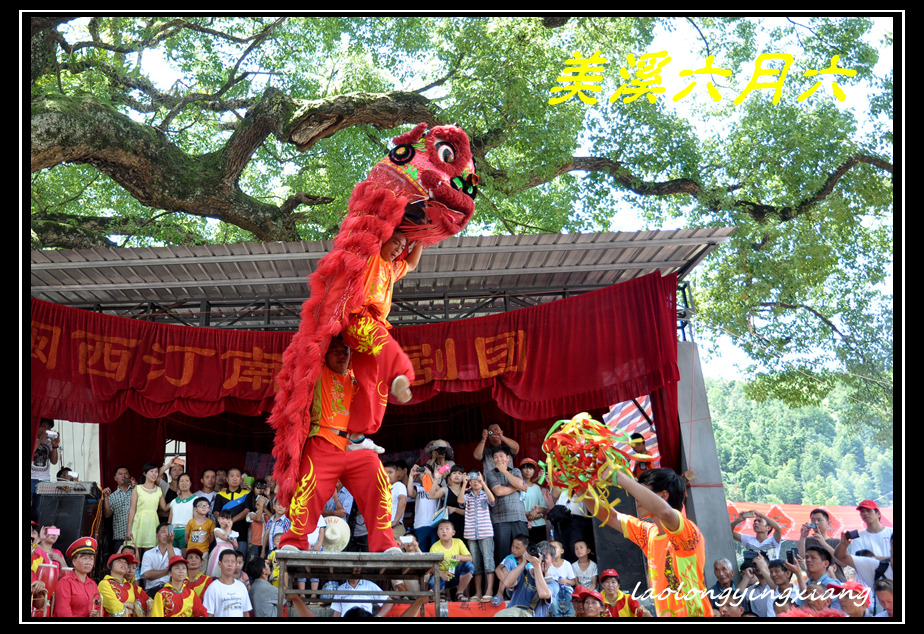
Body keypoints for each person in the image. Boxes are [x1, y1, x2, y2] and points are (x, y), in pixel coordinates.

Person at [279, 337, 400, 554]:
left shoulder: (357, 378)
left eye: (345, 350)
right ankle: (295, 541)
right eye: (334, 350)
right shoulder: (318, 373)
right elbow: (309, 346)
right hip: (323, 441)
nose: (341, 354)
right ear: (324, 354)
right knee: (309, 487)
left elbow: (374, 368)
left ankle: (385, 544)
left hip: (355, 445)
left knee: (379, 480)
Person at [584, 467, 714, 617]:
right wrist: (581, 489)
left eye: (642, 491)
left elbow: (665, 512)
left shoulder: (686, 530)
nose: (636, 497)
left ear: (663, 496)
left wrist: (618, 477)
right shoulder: (648, 533)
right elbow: (611, 517)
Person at [485, 448, 529, 566]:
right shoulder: (490, 473)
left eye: (501, 456)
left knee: (523, 551)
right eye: (496, 457)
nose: (499, 459)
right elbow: (498, 491)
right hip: (500, 519)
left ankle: (524, 576)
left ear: (508, 458)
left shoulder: (515, 471)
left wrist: (504, 471)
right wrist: (517, 487)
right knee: (502, 552)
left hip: (519, 517)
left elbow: (519, 483)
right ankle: (504, 577)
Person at [494, 540, 559, 617]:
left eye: (545, 557)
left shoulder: (553, 584)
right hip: (512, 613)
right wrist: (524, 562)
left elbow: (543, 594)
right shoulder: (524, 572)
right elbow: (507, 583)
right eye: (538, 555)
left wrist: (537, 566)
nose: (541, 559)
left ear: (552, 562)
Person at [462, 470, 496, 602]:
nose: (476, 482)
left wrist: (484, 484)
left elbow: (492, 500)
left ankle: (489, 591)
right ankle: (478, 592)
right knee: (475, 564)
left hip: (485, 533)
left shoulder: (485, 494)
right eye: (473, 480)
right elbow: (459, 500)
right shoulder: (467, 496)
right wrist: (464, 485)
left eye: (478, 480)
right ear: (469, 482)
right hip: (471, 534)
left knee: (488, 562)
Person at [126, 461, 171, 551]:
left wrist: (178, 499)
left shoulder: (159, 490)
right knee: (135, 551)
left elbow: (165, 507)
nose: (154, 474)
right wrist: (129, 529)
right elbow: (132, 509)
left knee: (150, 552)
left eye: (156, 472)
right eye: (151, 471)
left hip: (152, 523)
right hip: (139, 522)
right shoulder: (138, 488)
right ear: (145, 473)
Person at [53, 537, 102, 617]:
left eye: (91, 559)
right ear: (74, 561)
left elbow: (98, 607)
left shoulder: (93, 584)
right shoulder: (65, 582)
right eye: (85, 558)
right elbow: (63, 613)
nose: (88, 562)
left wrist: (97, 614)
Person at [428, 519, 475, 601]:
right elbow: (430, 567)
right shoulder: (434, 547)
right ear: (438, 533)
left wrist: (460, 557)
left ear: (453, 532)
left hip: (454, 575)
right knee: (433, 581)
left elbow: (470, 558)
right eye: (441, 529)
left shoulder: (458, 542)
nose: (444, 531)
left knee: (469, 565)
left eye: (447, 528)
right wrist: (442, 574)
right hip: (441, 576)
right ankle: (441, 594)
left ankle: (459, 593)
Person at [212, 467, 254, 555]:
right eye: (232, 476)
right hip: (223, 532)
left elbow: (246, 510)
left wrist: (231, 521)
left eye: (237, 476)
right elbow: (216, 511)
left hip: (240, 531)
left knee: (240, 557)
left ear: (241, 479)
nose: (235, 478)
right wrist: (222, 521)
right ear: (227, 479)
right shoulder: (220, 494)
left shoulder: (246, 493)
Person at [202, 549, 253, 617]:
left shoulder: (241, 586)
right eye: (226, 561)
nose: (230, 564)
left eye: (232, 562)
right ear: (219, 564)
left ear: (235, 564)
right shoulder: (213, 588)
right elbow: (208, 614)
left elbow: (246, 613)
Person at [140, 523, 182, 595]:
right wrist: (168, 571)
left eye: (168, 532)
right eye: (163, 532)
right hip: (152, 589)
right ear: (157, 535)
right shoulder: (148, 553)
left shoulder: (177, 551)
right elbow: (147, 574)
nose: (166, 534)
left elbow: (176, 568)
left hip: (171, 589)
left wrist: (169, 544)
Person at [31, 418, 59, 519]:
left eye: (49, 428)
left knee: (39, 510)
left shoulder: (48, 443)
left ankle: (36, 527)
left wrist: (55, 446)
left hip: (44, 479)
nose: (46, 429)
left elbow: (54, 461)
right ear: (37, 427)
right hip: (31, 478)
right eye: (43, 426)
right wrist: (39, 441)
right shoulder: (32, 440)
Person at [99, 552, 142, 617]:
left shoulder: (132, 586)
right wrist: (130, 607)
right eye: (119, 561)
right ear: (110, 566)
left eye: (125, 562)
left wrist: (124, 605)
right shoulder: (104, 583)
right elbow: (113, 607)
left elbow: (146, 605)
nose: (123, 563)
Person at [103, 465, 134, 553]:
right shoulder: (112, 496)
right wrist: (106, 498)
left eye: (126, 474)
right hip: (119, 536)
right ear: (115, 478)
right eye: (120, 474)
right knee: (120, 559)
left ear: (129, 476)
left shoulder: (136, 491)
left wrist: (136, 486)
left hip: (136, 535)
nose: (123, 476)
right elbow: (107, 514)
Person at [519, 458, 548, 544]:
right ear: (520, 471)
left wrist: (535, 511)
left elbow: (544, 508)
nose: (528, 471)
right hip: (522, 523)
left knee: (541, 548)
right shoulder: (518, 487)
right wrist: (527, 514)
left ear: (534, 472)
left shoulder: (536, 488)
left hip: (539, 524)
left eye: (531, 468)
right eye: (525, 468)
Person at [167, 472, 197, 550]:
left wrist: (191, 535)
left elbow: (196, 520)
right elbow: (170, 520)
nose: (184, 483)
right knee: (173, 555)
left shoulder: (195, 499)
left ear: (190, 483)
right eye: (181, 481)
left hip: (186, 531)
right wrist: (169, 534)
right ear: (178, 484)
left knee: (184, 555)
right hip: (173, 532)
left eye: (187, 480)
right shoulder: (174, 501)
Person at [206, 510, 239, 578]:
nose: (225, 521)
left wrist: (232, 540)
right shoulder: (217, 530)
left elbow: (236, 546)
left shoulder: (234, 533)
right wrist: (229, 528)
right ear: (218, 519)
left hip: (230, 553)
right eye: (223, 518)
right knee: (216, 570)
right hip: (219, 552)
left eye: (228, 519)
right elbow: (225, 538)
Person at [184, 496, 215, 564]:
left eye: (206, 505)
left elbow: (212, 538)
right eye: (201, 505)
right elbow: (186, 535)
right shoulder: (191, 522)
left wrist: (206, 544)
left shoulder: (210, 522)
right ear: (195, 509)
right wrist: (189, 544)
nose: (204, 507)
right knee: (190, 566)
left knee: (203, 567)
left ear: (209, 509)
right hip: (191, 550)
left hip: (204, 550)